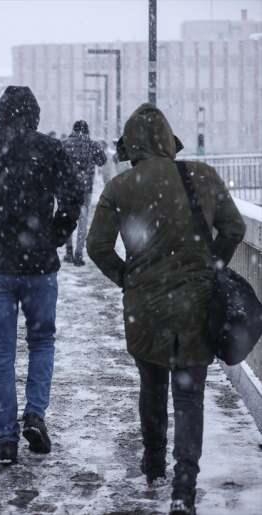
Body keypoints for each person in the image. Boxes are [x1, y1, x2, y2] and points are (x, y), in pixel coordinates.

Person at [87, 104, 245, 515]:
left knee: (152, 384)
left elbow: (96, 246)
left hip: (146, 308)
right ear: (168, 141)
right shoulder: (202, 176)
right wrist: (212, 265)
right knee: (189, 396)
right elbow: (235, 228)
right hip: (197, 303)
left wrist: (127, 278)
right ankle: (184, 485)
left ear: (131, 145)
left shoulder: (120, 187)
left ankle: (154, 461)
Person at [0, 86, 83, 465]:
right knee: (42, 341)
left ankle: (6, 437)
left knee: (0, 353)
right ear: (35, 115)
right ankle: (35, 414)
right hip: (40, 265)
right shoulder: (50, 149)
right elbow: (73, 197)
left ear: (0, 114)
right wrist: (55, 235)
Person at [62, 120, 107, 266]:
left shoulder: (64, 144)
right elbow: (102, 161)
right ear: (87, 130)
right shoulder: (92, 145)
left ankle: (68, 251)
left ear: (73, 130)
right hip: (85, 189)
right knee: (83, 219)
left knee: (67, 218)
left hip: (67, 188)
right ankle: (78, 254)